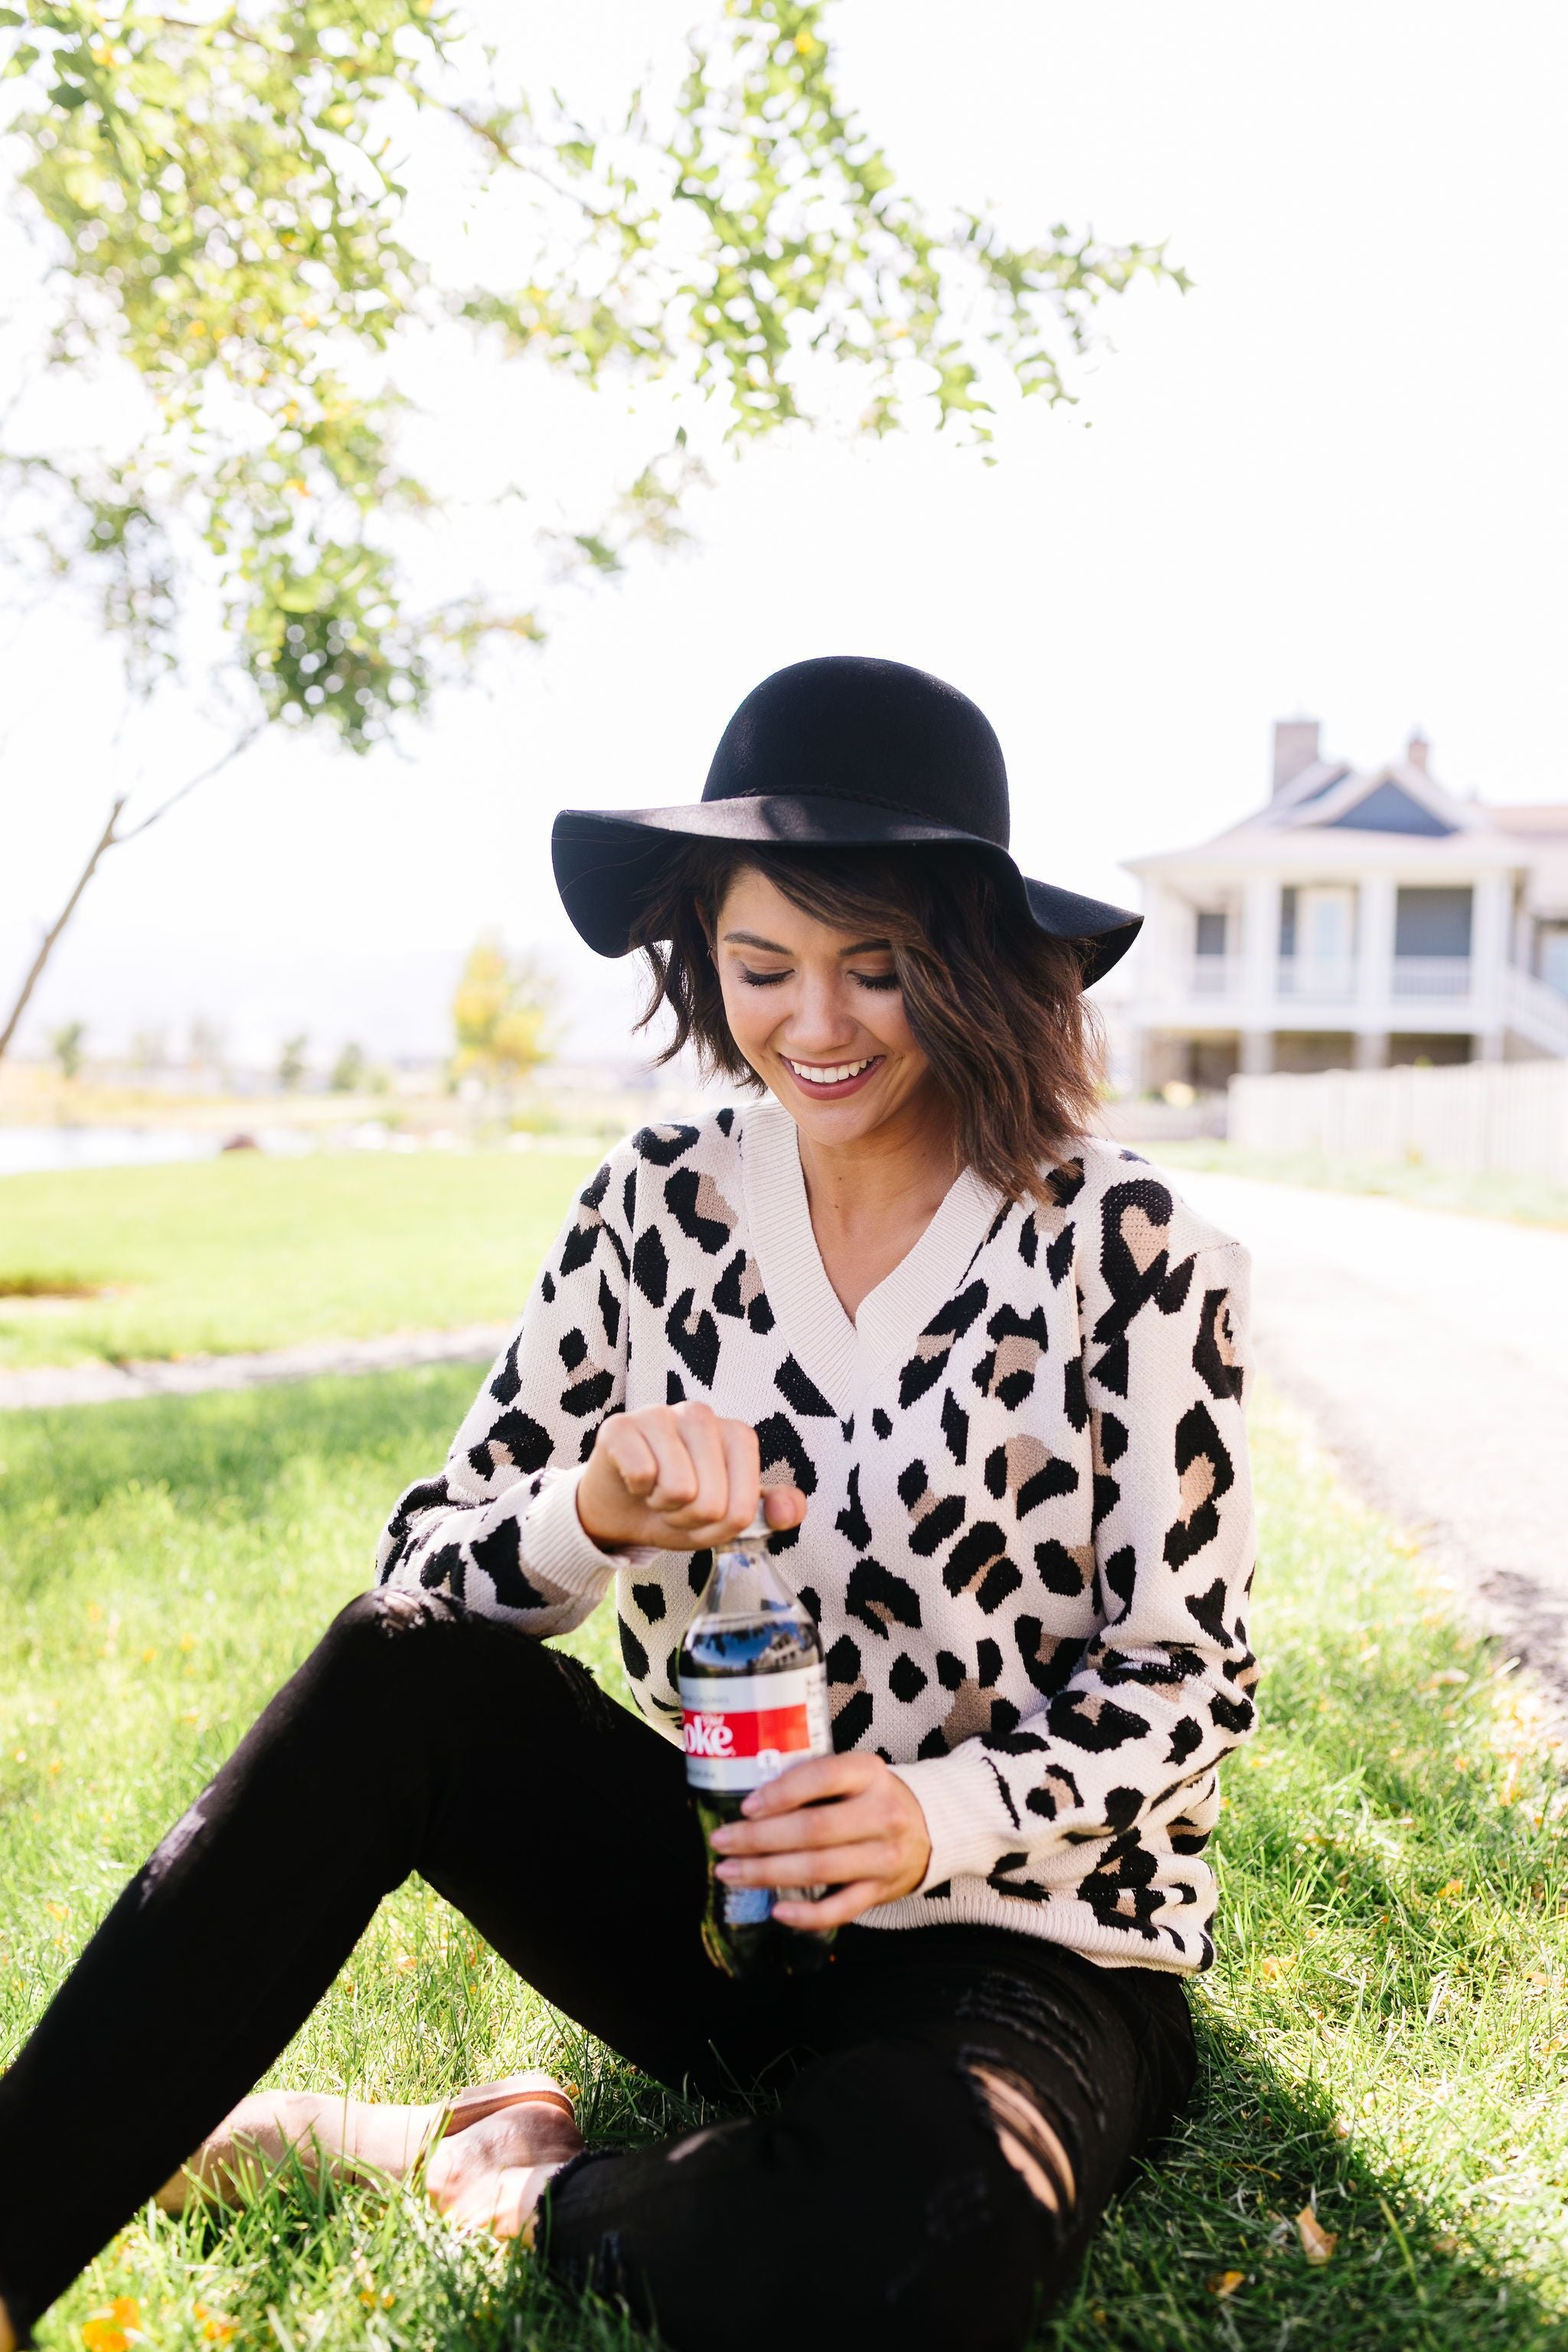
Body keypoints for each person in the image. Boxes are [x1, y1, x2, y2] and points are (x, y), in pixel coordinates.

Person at [0, 657, 1257, 2352]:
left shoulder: (1131, 1247)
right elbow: (428, 1577)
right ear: (701, 957)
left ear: (975, 965)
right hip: (718, 1906)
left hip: (1022, 1942)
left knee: (925, 2241)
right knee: (392, 1665)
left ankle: (494, 2175)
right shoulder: (656, 1202)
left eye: (876, 971)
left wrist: (928, 1812)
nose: (813, 1026)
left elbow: (1191, 1679)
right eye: (763, 969)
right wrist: (585, 1510)